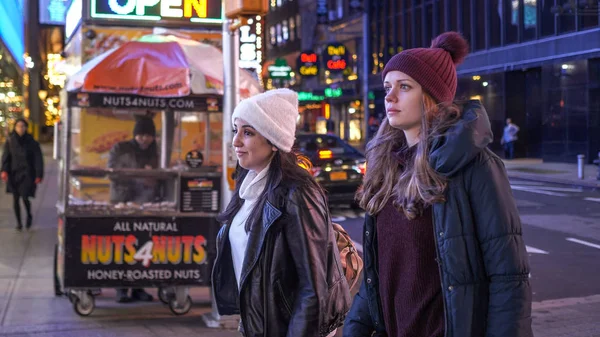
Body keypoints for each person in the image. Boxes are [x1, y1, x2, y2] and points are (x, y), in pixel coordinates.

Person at [343, 32, 533, 337]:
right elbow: (378, 275)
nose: (389, 97)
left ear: (431, 97)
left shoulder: (475, 166)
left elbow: (508, 276)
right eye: (388, 87)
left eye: (404, 87)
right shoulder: (386, 168)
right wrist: (355, 328)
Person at [212, 88, 351, 337]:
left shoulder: (298, 193)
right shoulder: (250, 187)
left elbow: (314, 288)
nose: (236, 142)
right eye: (236, 131)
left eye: (248, 133)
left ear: (273, 141)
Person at [107, 116, 159, 303]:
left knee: (143, 244)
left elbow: (162, 175)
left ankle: (138, 287)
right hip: (122, 201)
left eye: (148, 136)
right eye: (141, 135)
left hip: (146, 204)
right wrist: (139, 175)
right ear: (135, 135)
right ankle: (121, 289)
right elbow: (112, 171)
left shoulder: (157, 150)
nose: (145, 139)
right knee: (123, 245)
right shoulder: (121, 148)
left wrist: (152, 177)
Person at [1, 119, 44, 231]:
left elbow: (38, 159)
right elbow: (6, 158)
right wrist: (4, 171)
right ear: (15, 127)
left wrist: (39, 174)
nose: (21, 128)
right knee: (15, 199)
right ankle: (19, 223)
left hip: (27, 174)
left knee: (25, 197)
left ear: (26, 128)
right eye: (18, 126)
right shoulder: (10, 141)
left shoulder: (32, 142)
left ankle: (29, 216)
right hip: (14, 174)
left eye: (23, 126)